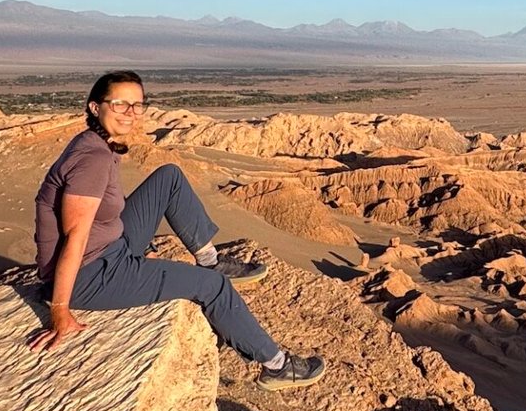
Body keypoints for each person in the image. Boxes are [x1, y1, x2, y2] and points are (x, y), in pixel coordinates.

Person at [29, 70, 325, 390]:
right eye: (119, 105)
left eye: (137, 105)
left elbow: (105, 210)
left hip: (111, 248)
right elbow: (76, 235)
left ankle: (209, 257)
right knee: (212, 287)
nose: (130, 113)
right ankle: (278, 365)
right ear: (94, 107)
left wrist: (141, 241)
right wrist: (60, 309)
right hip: (92, 275)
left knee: (168, 178)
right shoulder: (92, 158)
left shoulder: (98, 143)